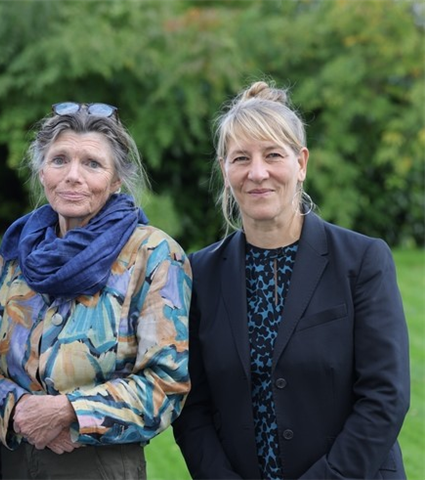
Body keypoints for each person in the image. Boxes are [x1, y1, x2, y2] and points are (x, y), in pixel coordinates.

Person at [172, 80, 410, 479]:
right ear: (224, 169)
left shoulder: (362, 261)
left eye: (273, 155)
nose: (257, 173)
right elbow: (191, 406)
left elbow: (385, 398)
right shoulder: (200, 274)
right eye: (241, 158)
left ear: (301, 163)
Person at [0, 102, 192, 479]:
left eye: (92, 163)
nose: (73, 175)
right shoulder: (14, 255)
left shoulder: (152, 256)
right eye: (59, 160)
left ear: (116, 179)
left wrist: (68, 413)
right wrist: (20, 410)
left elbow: (166, 383)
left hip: (100, 467)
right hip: (13, 465)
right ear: (42, 172)